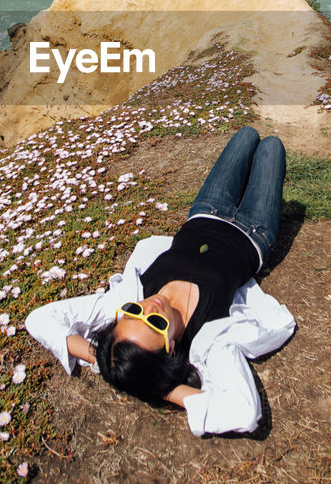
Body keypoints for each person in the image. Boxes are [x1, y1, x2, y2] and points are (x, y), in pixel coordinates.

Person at [26, 125, 295, 436]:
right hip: (254, 231)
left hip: (207, 210)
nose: (149, 306)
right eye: (154, 322)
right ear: (169, 347)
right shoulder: (208, 342)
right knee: (272, 145)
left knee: (246, 135)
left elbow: (40, 319)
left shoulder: (128, 298)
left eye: (134, 312)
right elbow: (243, 413)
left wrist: (107, 362)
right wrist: (159, 388)